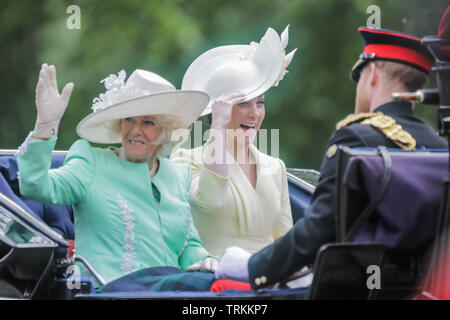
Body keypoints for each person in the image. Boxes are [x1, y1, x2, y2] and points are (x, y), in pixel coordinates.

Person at [215, 27, 448, 289]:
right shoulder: (439, 146)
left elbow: (319, 229)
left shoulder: (356, 137)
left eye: (358, 78)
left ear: (371, 75)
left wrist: (253, 267)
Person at [16, 64, 218, 287]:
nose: (135, 129)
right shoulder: (90, 161)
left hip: (170, 288)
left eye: (148, 122)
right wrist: (45, 125)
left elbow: (187, 245)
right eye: (129, 119)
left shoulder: (178, 174)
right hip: (110, 288)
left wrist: (205, 260)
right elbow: (35, 185)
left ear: (166, 130)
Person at [170, 26, 297, 257]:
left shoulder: (275, 167)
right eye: (243, 104)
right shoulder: (185, 159)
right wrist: (218, 127)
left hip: (267, 283)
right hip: (210, 280)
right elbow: (212, 201)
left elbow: (286, 242)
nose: (255, 114)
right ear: (218, 110)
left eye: (260, 102)